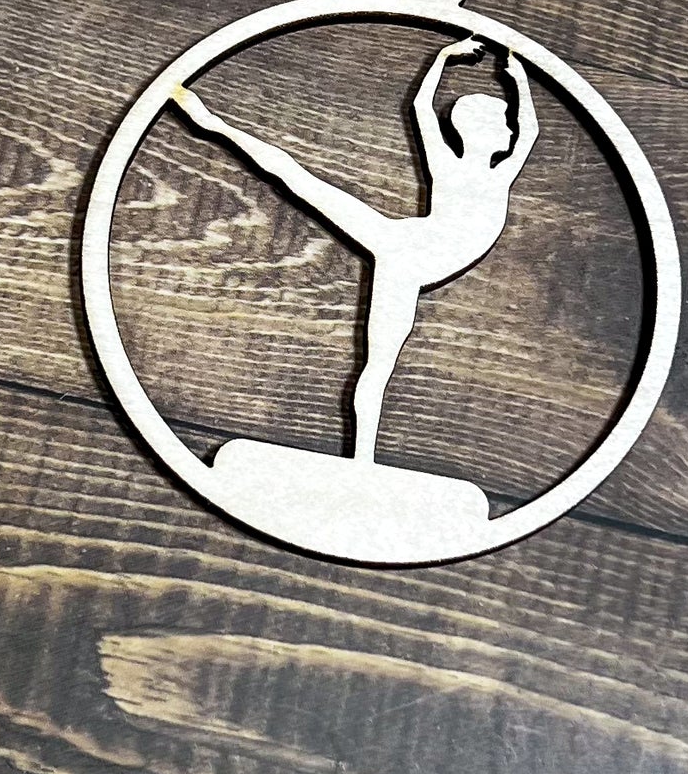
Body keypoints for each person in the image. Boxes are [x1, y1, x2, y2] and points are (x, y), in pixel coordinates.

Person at [172, 34, 538, 465]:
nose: (510, 128)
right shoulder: (451, 165)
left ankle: (363, 461)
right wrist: (444, 57)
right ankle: (208, 120)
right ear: (478, 129)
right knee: (295, 177)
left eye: (508, 121)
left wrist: (518, 79)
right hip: (405, 252)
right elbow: (423, 108)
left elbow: (528, 130)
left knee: (379, 363)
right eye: (502, 121)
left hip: (407, 256)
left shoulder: (499, 173)